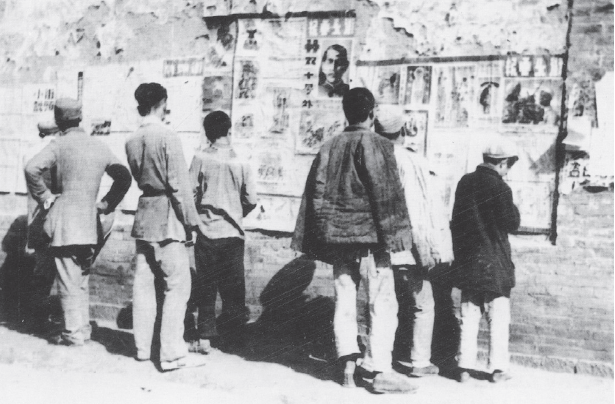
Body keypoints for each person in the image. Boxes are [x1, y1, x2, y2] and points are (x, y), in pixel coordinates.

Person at [292, 88, 416, 394]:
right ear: (372, 113)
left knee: (344, 300)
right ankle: (378, 369)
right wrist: (398, 237)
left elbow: (314, 196)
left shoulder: (329, 146)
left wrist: (319, 238)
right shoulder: (378, 144)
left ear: (345, 112)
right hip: (372, 240)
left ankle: (347, 366)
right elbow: (386, 195)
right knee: (381, 301)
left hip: (338, 240)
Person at [25, 98, 131, 346]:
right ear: (80, 118)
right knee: (81, 280)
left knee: (68, 282)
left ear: (59, 120)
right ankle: (83, 330)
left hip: (65, 224)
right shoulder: (99, 145)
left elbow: (32, 169)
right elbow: (124, 177)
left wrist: (45, 197)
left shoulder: (58, 145)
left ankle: (73, 333)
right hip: (91, 222)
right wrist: (106, 204)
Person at [125, 83, 206, 371]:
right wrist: (191, 221)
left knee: (144, 284)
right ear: (162, 104)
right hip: (169, 216)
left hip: (144, 213)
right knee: (178, 286)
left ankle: (142, 348)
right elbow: (179, 185)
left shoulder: (132, 139)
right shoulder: (168, 136)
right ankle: (172, 354)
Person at [373, 106, 451, 378]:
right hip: (406, 247)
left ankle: (379, 361)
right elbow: (417, 210)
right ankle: (419, 361)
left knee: (382, 305)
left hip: (378, 247)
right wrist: (426, 248)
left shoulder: (371, 157)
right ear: (402, 130)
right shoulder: (410, 161)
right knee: (422, 304)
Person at [186, 111, 257, 353]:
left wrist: (198, 218)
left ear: (207, 134)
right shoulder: (242, 160)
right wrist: (236, 213)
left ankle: (205, 338)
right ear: (229, 131)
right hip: (233, 234)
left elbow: (190, 194)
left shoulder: (200, 157)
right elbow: (251, 199)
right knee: (233, 288)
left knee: (206, 286)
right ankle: (233, 338)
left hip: (206, 232)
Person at [450, 138, 520, 383]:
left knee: (468, 315)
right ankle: (498, 369)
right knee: (498, 317)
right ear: (502, 163)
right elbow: (512, 223)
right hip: (494, 260)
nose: (508, 169)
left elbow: (456, 222)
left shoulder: (465, 182)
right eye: (509, 165)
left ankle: (464, 368)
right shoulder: (501, 188)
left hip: (468, 259)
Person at [21, 121, 60, 333]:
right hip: (50, 217)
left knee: (41, 268)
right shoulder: (52, 152)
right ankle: (42, 319)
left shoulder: (30, 151)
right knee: (50, 270)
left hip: (34, 217)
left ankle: (36, 318)